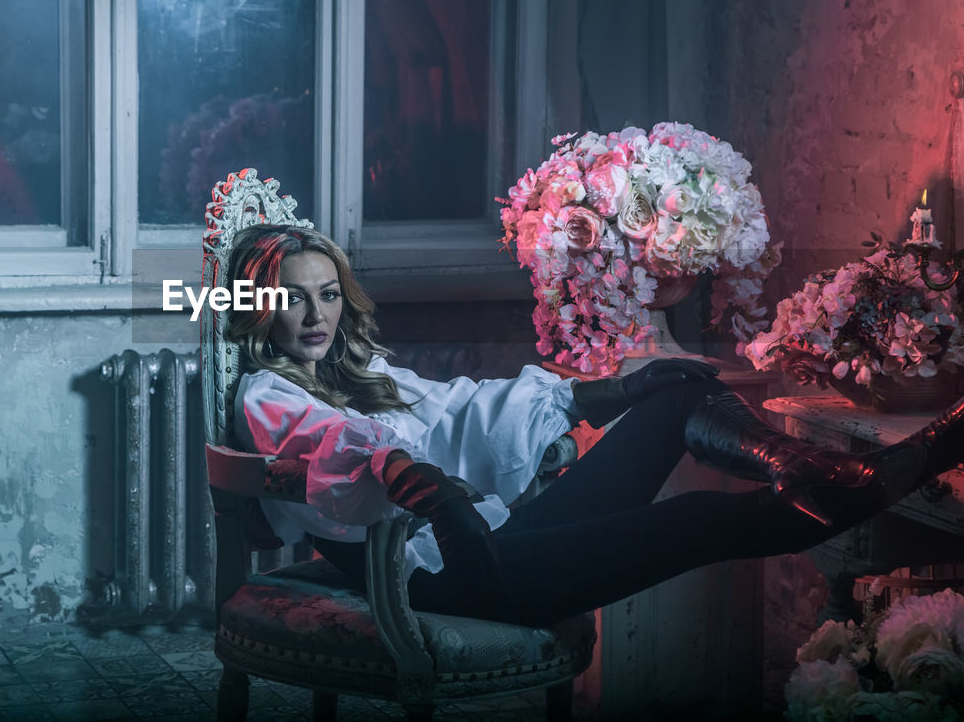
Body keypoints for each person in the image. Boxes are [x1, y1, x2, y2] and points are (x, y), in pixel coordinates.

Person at [224, 224, 964, 627]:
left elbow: (460, 407)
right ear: (260, 308)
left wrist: (611, 390)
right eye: (293, 299)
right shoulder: (269, 393)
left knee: (670, 394)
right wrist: (418, 483)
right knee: (698, 518)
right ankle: (908, 461)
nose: (316, 313)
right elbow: (341, 455)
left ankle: (808, 467)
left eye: (326, 294)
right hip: (445, 577)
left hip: (480, 542)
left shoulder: (365, 373)